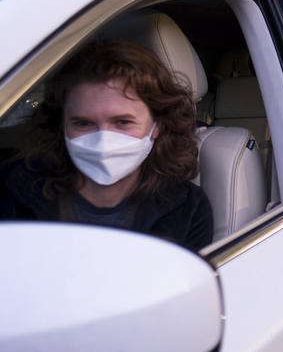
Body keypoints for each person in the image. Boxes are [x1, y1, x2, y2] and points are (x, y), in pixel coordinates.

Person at [0, 41, 213, 252]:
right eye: (83, 123)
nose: (103, 140)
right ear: (62, 126)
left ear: (157, 126)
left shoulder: (188, 208)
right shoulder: (12, 189)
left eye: (123, 122)